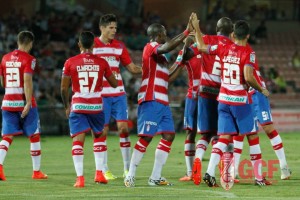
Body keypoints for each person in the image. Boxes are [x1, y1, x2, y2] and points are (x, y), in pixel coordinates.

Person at [192, 15, 271, 186]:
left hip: (223, 101)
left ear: (234, 34)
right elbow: (249, 78)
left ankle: (209, 172)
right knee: (252, 137)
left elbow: (201, 47)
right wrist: (261, 89)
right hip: (240, 102)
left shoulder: (224, 48)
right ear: (248, 36)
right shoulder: (249, 53)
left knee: (223, 138)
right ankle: (258, 178)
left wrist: (197, 28)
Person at [124, 14, 194, 187]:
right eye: (164, 33)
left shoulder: (161, 58)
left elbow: (168, 76)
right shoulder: (150, 48)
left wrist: (181, 60)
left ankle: (155, 177)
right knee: (146, 137)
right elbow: (167, 47)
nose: (166, 36)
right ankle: (130, 175)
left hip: (162, 101)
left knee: (169, 135)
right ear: (159, 35)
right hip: (151, 98)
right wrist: (186, 32)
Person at [61, 31, 118, 187]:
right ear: (93, 45)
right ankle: (99, 174)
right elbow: (114, 84)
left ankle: (80, 179)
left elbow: (63, 88)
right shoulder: (102, 62)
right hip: (96, 106)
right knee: (98, 138)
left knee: (78, 141)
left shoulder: (70, 62)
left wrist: (67, 106)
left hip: (78, 105)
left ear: (79, 44)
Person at [93, 14, 142, 180]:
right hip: (100, 95)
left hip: (118, 93)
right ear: (102, 28)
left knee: (124, 128)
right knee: (102, 131)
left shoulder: (119, 46)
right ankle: (104, 169)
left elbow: (132, 68)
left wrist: (149, 69)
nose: (114, 30)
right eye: (111, 27)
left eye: (115, 27)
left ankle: (127, 169)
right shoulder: (92, 45)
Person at [0, 31, 47, 181]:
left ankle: (0, 167)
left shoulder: (5, 58)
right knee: (34, 135)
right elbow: (27, 81)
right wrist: (27, 102)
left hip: (8, 102)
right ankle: (36, 172)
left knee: (7, 137)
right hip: (24, 102)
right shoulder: (30, 59)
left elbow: (2, 82)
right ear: (30, 43)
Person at [233, 63, 291, 181]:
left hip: (256, 92)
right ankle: (234, 171)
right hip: (244, 95)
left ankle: (283, 166)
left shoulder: (245, 54)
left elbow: (249, 76)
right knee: (241, 131)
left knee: (268, 128)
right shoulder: (236, 53)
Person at [177, 36, 202, 182]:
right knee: (191, 132)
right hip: (194, 96)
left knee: (206, 133)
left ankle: (193, 172)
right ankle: (191, 172)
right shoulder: (186, 53)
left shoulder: (204, 50)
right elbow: (178, 65)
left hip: (202, 97)